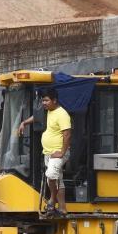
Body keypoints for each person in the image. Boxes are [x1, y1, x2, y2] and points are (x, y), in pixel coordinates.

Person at [18, 87, 72, 215]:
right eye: (42, 101)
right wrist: (24, 123)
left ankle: (52, 199)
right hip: (48, 153)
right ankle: (63, 208)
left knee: (51, 176)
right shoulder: (48, 111)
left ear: (54, 100)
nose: (43, 103)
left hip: (57, 153)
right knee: (58, 180)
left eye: (46, 101)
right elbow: (36, 117)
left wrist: (62, 152)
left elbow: (67, 134)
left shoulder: (62, 114)